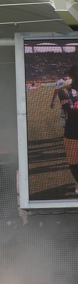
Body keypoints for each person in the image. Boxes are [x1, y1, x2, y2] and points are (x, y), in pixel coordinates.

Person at [58, 65, 78, 195]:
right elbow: (70, 110)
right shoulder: (64, 91)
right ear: (72, 76)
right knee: (74, 162)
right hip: (72, 131)